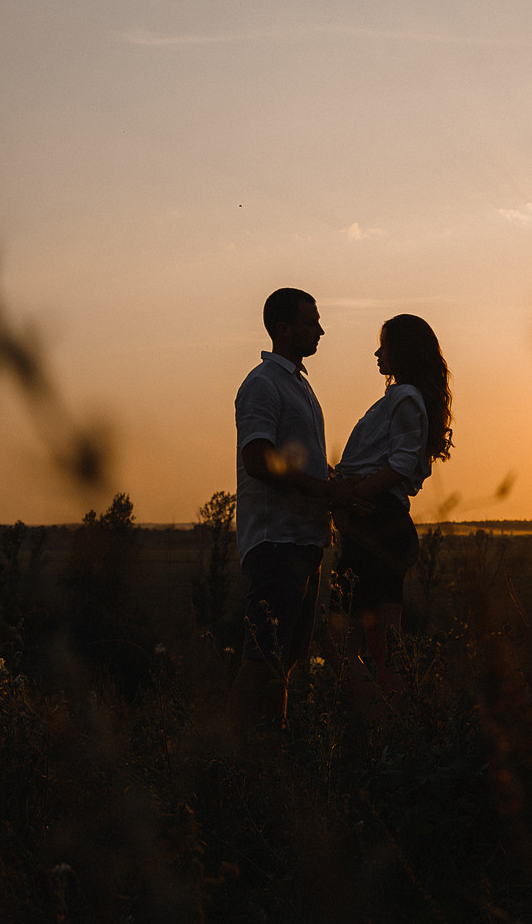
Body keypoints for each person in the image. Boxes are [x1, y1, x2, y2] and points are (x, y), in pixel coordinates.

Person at [231, 286, 360, 731]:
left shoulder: (298, 386)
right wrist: (326, 493)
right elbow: (258, 459)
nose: (321, 330)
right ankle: (237, 764)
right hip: (274, 542)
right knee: (261, 657)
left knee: (284, 661)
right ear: (283, 329)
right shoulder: (262, 385)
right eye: (311, 322)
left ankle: (268, 756)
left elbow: (297, 458)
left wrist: (333, 482)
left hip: (304, 542)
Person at [326, 313, 452, 728]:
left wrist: (347, 496)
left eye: (384, 345)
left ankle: (387, 735)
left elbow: (399, 465)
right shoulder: (404, 397)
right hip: (379, 523)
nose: (377, 353)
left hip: (379, 521)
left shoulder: (404, 398)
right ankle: (396, 737)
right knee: (381, 644)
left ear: (402, 351)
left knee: (343, 641)